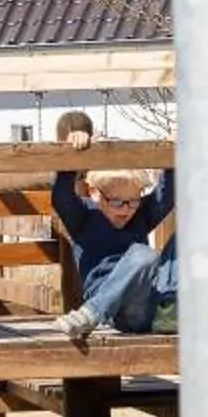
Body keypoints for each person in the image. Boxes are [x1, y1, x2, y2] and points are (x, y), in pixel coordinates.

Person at [50, 114, 176, 340]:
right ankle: (91, 313)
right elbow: (61, 198)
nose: (126, 210)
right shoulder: (84, 217)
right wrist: (71, 154)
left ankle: (170, 309)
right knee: (143, 255)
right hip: (121, 311)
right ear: (94, 192)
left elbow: (164, 198)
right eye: (117, 202)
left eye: (134, 201)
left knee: (185, 237)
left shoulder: (139, 216)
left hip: (152, 304)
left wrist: (170, 154)